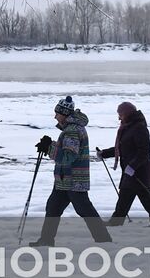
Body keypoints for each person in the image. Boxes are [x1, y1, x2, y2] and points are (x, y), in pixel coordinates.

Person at [29, 96, 112, 247]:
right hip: (65, 179)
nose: (55, 116)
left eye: (57, 113)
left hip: (73, 179)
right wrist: (51, 145)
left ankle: (104, 240)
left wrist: (49, 148)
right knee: (53, 208)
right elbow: (67, 150)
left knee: (84, 209)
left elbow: (68, 156)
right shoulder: (71, 129)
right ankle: (46, 240)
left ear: (64, 114)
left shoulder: (72, 131)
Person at [97, 101, 150, 227]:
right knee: (135, 196)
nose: (118, 117)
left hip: (139, 170)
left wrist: (132, 167)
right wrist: (104, 153)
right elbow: (123, 148)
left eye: (120, 114)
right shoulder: (128, 127)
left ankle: (117, 221)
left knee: (138, 196)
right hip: (131, 170)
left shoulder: (139, 127)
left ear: (127, 114)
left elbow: (144, 151)